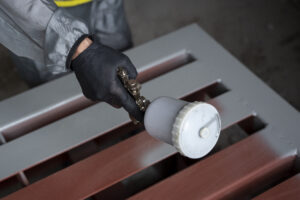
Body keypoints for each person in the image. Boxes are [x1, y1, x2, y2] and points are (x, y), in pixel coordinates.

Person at [0, 0, 143, 121]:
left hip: (105, 4)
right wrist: (76, 48)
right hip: (35, 14)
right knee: (55, 101)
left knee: (119, 82)